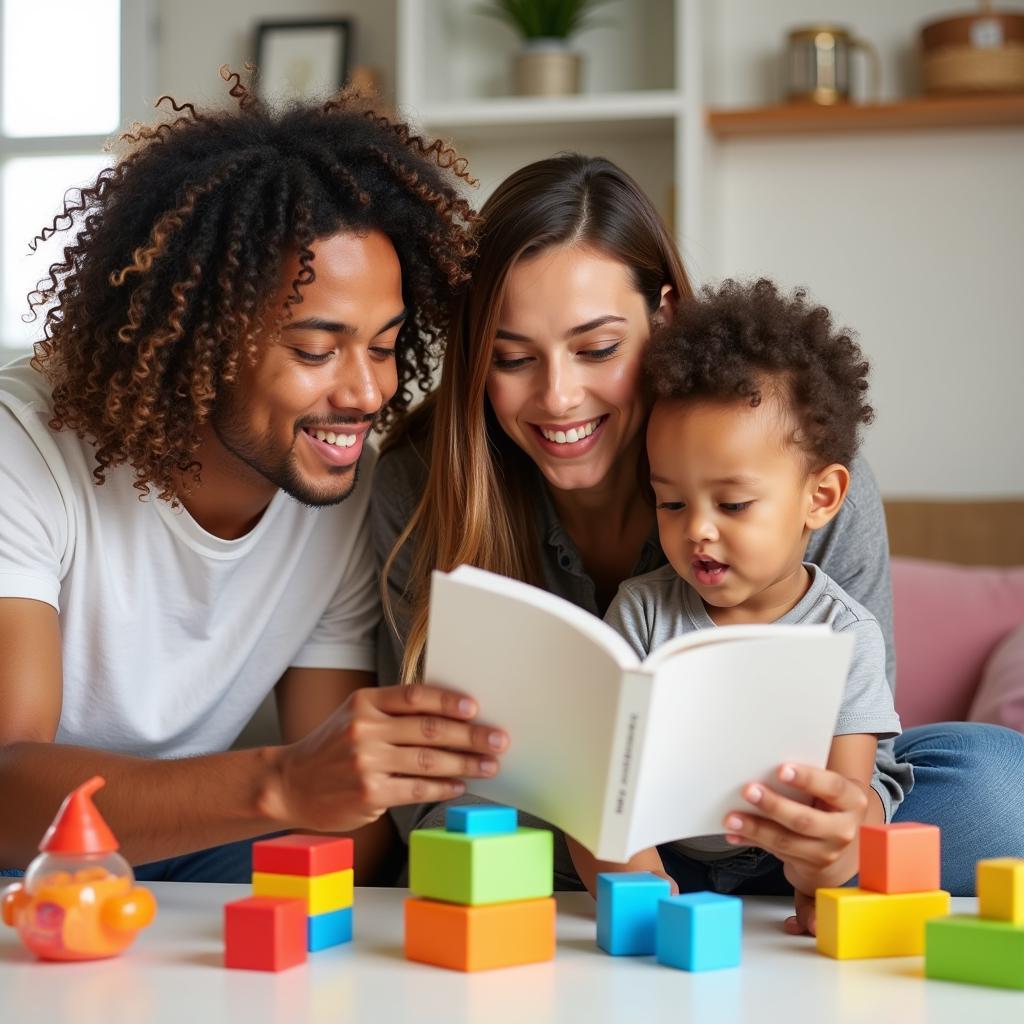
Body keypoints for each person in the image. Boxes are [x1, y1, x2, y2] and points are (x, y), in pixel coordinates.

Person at [374, 154, 1024, 930]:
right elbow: (425, 786)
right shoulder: (419, 486)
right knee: (460, 834)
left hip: (778, 831)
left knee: (995, 785)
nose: (557, 396)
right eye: (512, 359)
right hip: (577, 840)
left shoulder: (798, 470)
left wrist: (836, 844)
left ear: (664, 316)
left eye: (597, 348)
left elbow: (864, 770)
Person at [0, 71, 510, 885]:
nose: (369, 393)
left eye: (383, 345)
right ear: (197, 341)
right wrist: (281, 782)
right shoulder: (22, 449)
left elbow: (343, 832)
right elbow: (8, 792)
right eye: (316, 350)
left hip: (186, 854)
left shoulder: (337, 488)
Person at [593, 277, 900, 931]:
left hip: (782, 863)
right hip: (670, 855)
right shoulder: (643, 613)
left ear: (820, 498)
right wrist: (641, 888)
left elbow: (847, 809)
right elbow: (602, 793)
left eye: (732, 504)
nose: (697, 529)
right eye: (671, 502)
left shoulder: (846, 634)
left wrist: (824, 882)